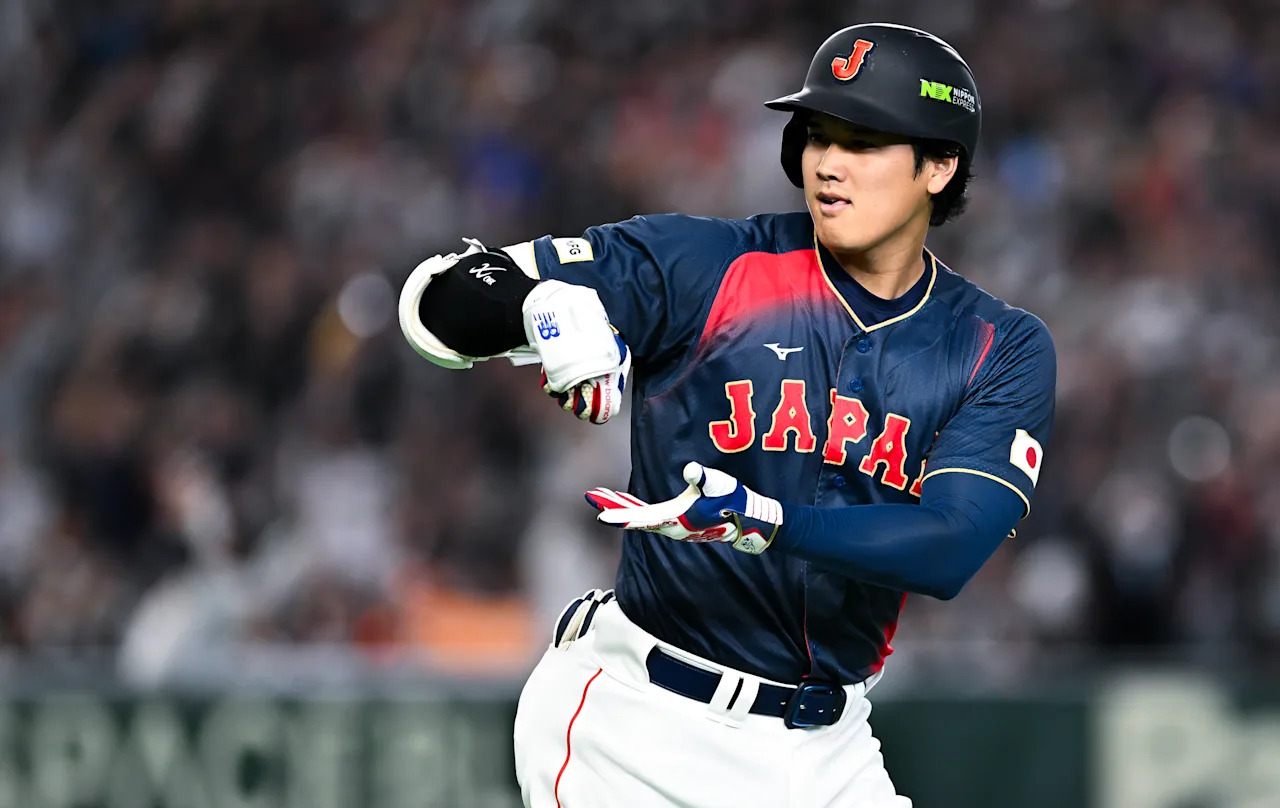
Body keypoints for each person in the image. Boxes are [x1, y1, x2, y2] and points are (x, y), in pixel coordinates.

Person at [399, 22, 1055, 808]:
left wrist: (764, 520)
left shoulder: (997, 345)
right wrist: (541, 305)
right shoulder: (706, 265)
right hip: (643, 723)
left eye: (865, 141)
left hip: (832, 749)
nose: (828, 164)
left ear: (940, 166)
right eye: (819, 135)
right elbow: (439, 299)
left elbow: (949, 547)